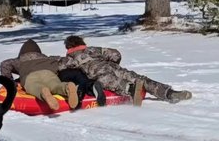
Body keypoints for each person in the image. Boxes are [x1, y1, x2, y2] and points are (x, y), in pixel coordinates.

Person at [61, 35, 192, 106]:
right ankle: (169, 93)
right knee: (139, 78)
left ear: (68, 47)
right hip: (113, 67)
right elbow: (115, 54)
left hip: (99, 73)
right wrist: (112, 63)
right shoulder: (93, 50)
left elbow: (62, 69)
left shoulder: (70, 58)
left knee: (115, 82)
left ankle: (132, 90)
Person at [0, 39, 79, 111]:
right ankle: (66, 87)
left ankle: (42, 92)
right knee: (55, 85)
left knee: (34, 86)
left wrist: (10, 81)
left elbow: (5, 64)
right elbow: (64, 61)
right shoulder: (47, 58)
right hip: (48, 73)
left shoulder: (19, 60)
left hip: (30, 76)